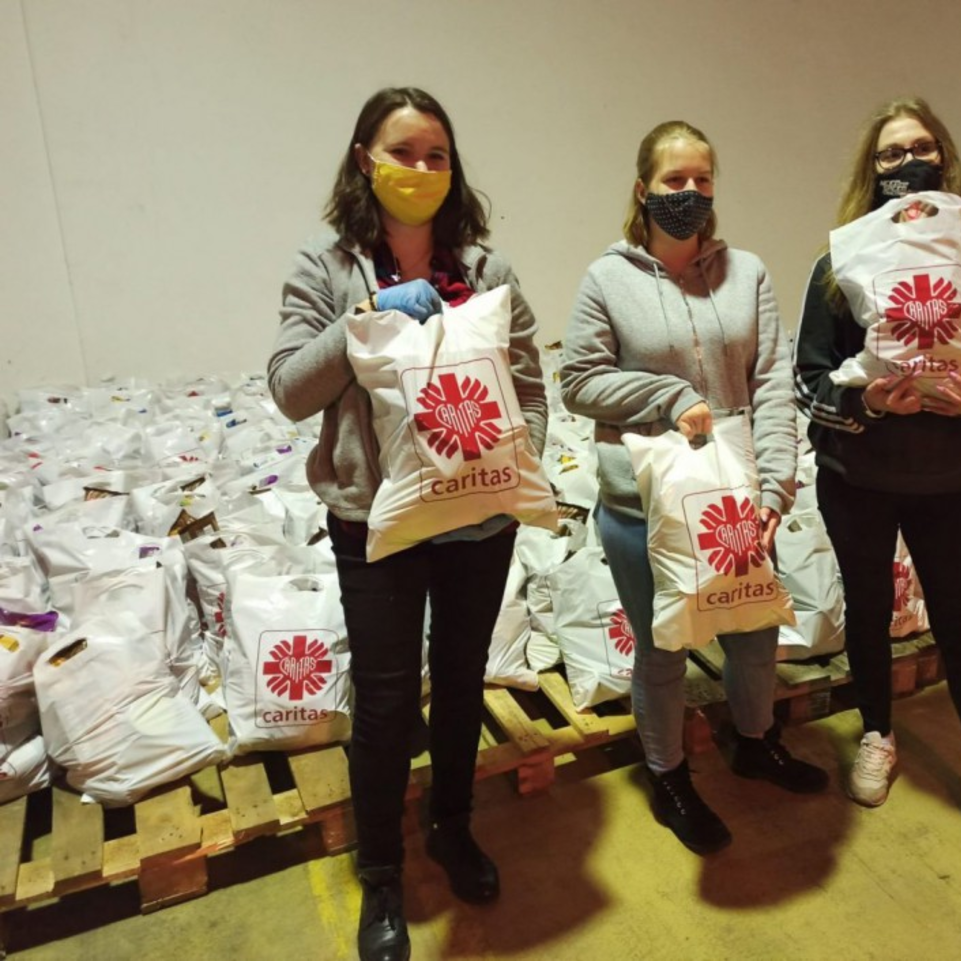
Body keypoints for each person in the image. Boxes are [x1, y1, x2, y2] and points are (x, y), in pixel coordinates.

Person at [269, 87, 547, 960]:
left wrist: (515, 459)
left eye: (437, 155)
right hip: (374, 519)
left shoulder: (489, 270)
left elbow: (530, 383)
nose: (421, 169)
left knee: (462, 682)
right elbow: (289, 389)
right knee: (387, 700)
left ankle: (453, 826)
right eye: (402, 152)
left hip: (478, 517)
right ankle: (381, 869)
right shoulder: (325, 267)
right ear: (365, 160)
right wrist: (367, 323)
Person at [560, 120, 828, 857]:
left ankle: (755, 741)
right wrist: (668, 395)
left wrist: (776, 488)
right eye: (673, 180)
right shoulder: (607, 279)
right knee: (663, 647)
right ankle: (669, 775)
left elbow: (771, 382)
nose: (689, 192)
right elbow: (578, 380)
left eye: (702, 180)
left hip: (735, 498)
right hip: (642, 505)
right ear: (642, 189)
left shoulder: (748, 273)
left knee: (754, 632)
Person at [792, 96, 961, 871]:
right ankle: (877, 732)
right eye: (891, 154)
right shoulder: (838, 263)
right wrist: (865, 401)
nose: (908, 164)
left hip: (945, 479)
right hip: (857, 478)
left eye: (921, 148)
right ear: (871, 171)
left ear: (945, 157)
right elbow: (806, 381)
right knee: (868, 613)